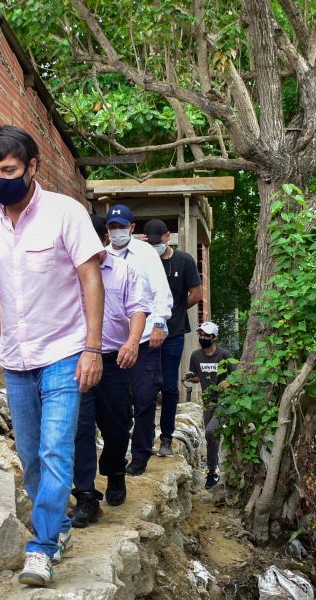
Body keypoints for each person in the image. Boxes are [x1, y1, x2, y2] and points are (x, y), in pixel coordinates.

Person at [0, 125, 105, 588]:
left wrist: (92, 347)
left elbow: (91, 280)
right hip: (16, 359)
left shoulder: (66, 214)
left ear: (32, 167)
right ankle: (60, 528)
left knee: (55, 448)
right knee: (30, 457)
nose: (0, 178)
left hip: (64, 351)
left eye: (9, 169)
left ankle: (41, 547)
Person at [71, 218, 150, 527]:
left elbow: (138, 309)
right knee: (81, 430)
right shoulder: (67, 272)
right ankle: (86, 497)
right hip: (76, 361)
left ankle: (115, 469)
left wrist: (132, 342)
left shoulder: (124, 270)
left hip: (114, 361)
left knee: (118, 429)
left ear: (103, 238)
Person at [102, 205, 173, 476]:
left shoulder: (144, 254)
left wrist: (158, 324)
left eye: (122, 226)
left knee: (144, 398)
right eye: (112, 227)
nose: (116, 231)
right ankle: (117, 455)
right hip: (114, 345)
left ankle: (141, 454)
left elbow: (161, 293)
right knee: (119, 404)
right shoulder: (101, 256)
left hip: (144, 340)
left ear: (132, 228)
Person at [141, 219, 203, 458]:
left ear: (168, 237)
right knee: (145, 386)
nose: (155, 245)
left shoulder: (184, 261)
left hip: (173, 333)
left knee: (168, 385)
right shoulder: (143, 260)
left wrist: (174, 310)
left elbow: (196, 294)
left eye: (159, 240)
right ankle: (143, 437)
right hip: (145, 333)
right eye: (151, 241)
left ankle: (166, 436)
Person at [186, 321, 235, 488]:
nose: (202, 338)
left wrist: (229, 381)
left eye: (206, 335)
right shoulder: (195, 356)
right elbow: (197, 377)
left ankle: (227, 468)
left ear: (214, 337)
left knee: (210, 431)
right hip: (208, 402)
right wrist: (190, 377)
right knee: (211, 438)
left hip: (225, 401)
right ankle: (212, 473)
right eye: (200, 334)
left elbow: (238, 375)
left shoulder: (224, 354)